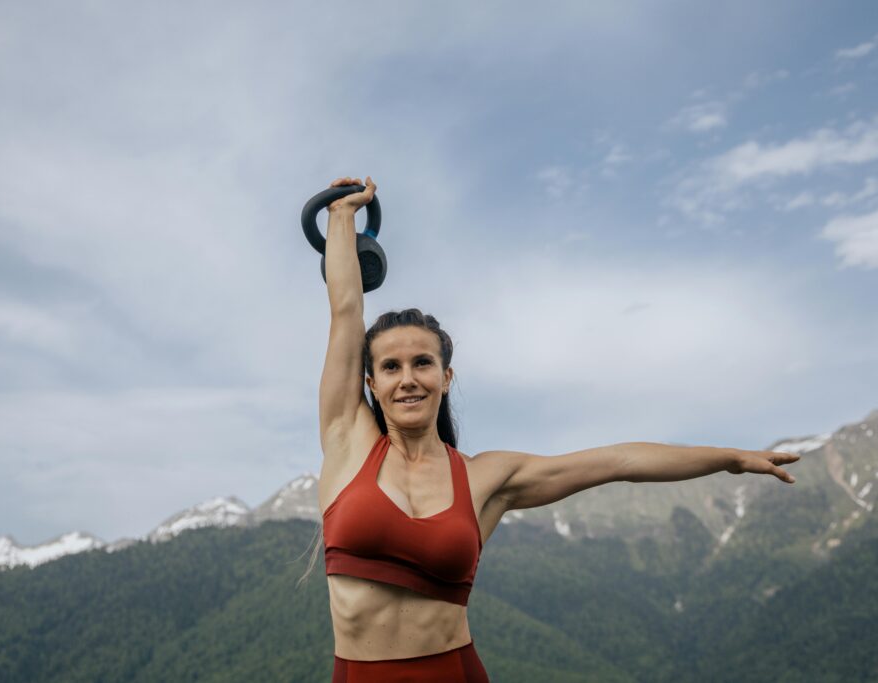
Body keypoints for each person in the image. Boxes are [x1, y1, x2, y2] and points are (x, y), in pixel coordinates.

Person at [303, 175, 800, 682]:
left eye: (423, 363)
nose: (408, 379)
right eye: (391, 367)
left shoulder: (484, 479)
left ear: (446, 377)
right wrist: (342, 215)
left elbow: (618, 463)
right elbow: (347, 310)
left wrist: (731, 459)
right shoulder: (347, 440)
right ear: (371, 382)